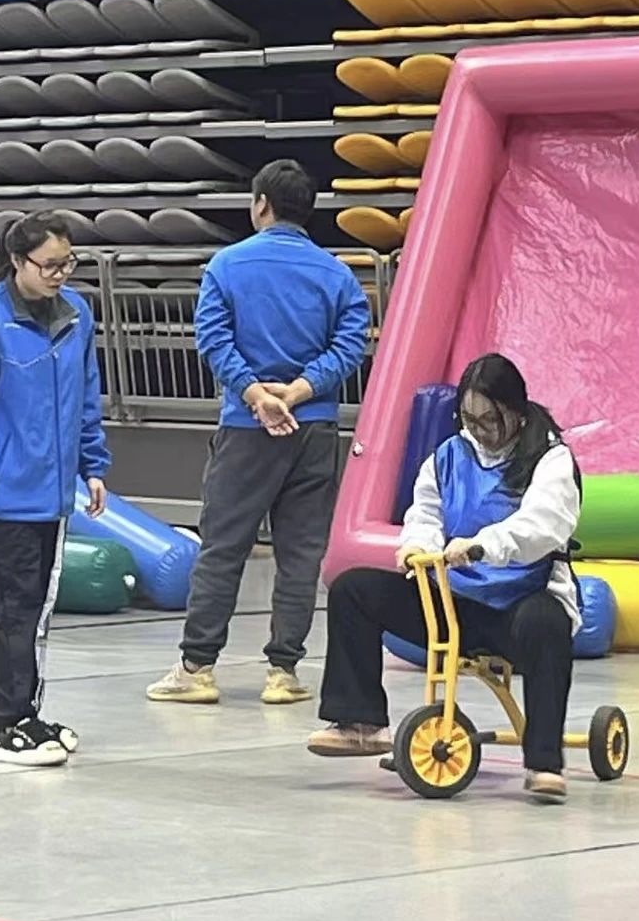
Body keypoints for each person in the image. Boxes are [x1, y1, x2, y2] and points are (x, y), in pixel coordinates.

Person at [308, 353, 582, 804]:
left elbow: (543, 526)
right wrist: (416, 546)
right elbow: (425, 513)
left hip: (518, 604)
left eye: (490, 419)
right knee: (353, 590)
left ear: (516, 411)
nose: (479, 430)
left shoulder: (551, 459)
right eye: (469, 419)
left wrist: (481, 545)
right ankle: (360, 721)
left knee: (546, 623)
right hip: (454, 604)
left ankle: (544, 762)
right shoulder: (449, 456)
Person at [147, 159, 370, 706]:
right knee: (300, 553)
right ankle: (284, 672)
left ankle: (197, 668)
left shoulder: (227, 265)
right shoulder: (336, 274)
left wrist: (256, 395)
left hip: (246, 430)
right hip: (313, 428)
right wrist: (299, 391)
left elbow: (213, 339)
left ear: (261, 204)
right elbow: (350, 344)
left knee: (223, 547)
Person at [0, 211, 110, 766]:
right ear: (17, 262)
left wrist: (93, 466)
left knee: (37, 613)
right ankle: (7, 723)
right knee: (14, 611)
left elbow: (87, 399)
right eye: (49, 265)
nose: (60, 274)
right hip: (7, 492)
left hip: (54, 496)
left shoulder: (76, 315)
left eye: (68, 263)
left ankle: (29, 713)